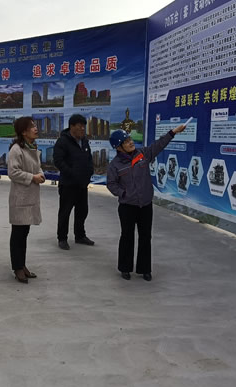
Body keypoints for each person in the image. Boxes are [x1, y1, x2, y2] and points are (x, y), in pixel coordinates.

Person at [106, 123, 187, 282]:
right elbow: (111, 184)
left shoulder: (143, 154)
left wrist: (173, 132)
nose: (130, 142)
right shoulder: (115, 165)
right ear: (119, 147)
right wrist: (124, 194)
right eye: (126, 141)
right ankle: (125, 268)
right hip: (127, 206)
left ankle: (145, 269)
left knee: (145, 237)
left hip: (145, 205)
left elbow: (159, 144)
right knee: (127, 236)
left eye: (130, 139)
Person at [8, 117, 45, 284]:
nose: (36, 129)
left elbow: (37, 167)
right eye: (32, 127)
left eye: (35, 125)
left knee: (24, 233)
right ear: (23, 132)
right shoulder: (16, 149)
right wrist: (32, 177)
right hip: (20, 198)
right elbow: (13, 172)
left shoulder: (32, 147)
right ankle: (17, 267)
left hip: (31, 196)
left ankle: (22, 265)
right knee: (18, 234)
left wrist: (40, 174)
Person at [53, 114, 94, 250]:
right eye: (79, 126)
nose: (82, 129)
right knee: (65, 212)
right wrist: (71, 173)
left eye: (84, 127)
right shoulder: (62, 142)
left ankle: (80, 235)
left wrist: (89, 172)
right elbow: (58, 161)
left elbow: (89, 159)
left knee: (82, 211)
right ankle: (62, 238)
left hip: (82, 184)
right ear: (71, 126)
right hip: (68, 184)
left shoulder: (85, 141)